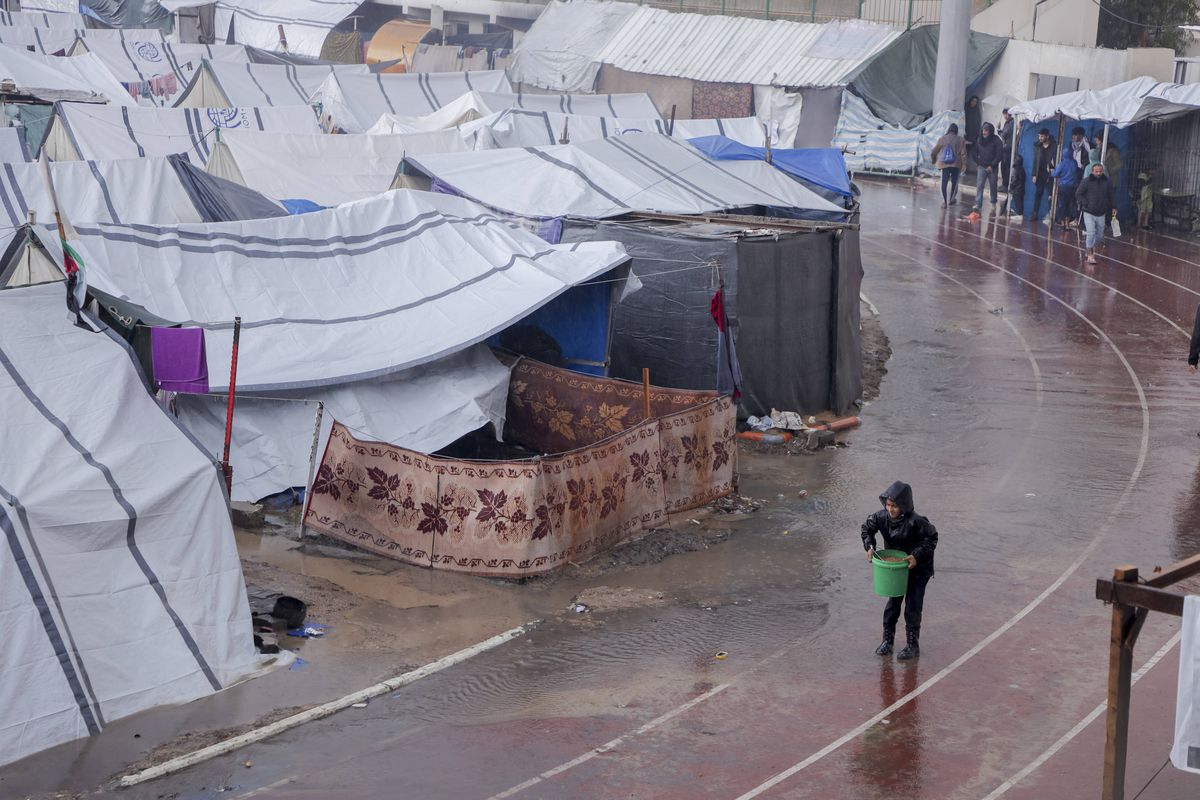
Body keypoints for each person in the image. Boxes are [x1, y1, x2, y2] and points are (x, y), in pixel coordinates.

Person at [861, 481, 938, 661]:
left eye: (895, 506)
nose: (891, 509)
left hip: (917, 568)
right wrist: (869, 546)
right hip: (896, 567)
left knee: (912, 606)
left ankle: (912, 645)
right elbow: (867, 528)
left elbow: (931, 538)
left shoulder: (917, 522)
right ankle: (887, 641)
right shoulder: (880, 517)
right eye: (888, 505)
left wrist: (916, 555)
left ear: (904, 506)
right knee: (893, 603)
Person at [1076, 162, 1115, 264]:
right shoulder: (1086, 181)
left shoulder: (1107, 182)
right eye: (1096, 171)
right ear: (1092, 171)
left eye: (1100, 171)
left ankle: (1089, 247)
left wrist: (1114, 207)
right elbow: (1078, 194)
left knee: (1100, 235)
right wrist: (1085, 203)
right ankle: (1090, 253)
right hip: (1089, 211)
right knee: (1091, 232)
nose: (1098, 173)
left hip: (1101, 212)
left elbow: (1111, 195)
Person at [931, 123, 968, 208]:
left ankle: (944, 202)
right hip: (956, 164)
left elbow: (934, 152)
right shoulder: (961, 140)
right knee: (955, 183)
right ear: (956, 131)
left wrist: (934, 160)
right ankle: (951, 199)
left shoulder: (942, 139)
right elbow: (964, 154)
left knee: (943, 183)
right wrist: (964, 164)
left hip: (944, 164)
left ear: (949, 130)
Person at [972, 122, 1004, 213]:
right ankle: (978, 204)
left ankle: (993, 203)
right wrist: (978, 163)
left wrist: (992, 165)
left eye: (986, 131)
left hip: (992, 168)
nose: (984, 132)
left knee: (993, 186)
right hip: (982, 166)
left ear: (990, 131)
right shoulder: (979, 140)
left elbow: (999, 154)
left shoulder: (996, 140)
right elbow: (974, 153)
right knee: (980, 185)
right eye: (983, 130)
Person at [1031, 128, 1057, 221]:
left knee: (1051, 195)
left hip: (1050, 174)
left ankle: (1051, 216)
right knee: (1038, 194)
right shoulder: (1038, 146)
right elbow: (1035, 161)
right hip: (1040, 174)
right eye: (1039, 136)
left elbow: (1055, 159)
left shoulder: (1054, 146)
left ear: (1047, 136)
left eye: (1042, 136)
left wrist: (1051, 169)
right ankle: (1035, 213)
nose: (1040, 138)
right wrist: (1034, 174)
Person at [1051, 146, 1081, 227]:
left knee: (1063, 204)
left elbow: (1055, 174)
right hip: (1072, 187)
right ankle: (1068, 220)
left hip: (1063, 186)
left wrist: (1051, 170)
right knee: (1070, 204)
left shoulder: (1062, 164)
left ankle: (1063, 221)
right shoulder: (1074, 163)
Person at [998, 109, 1015, 190]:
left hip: (1008, 148)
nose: (1004, 116)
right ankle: (1004, 184)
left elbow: (1005, 134)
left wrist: (999, 131)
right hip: (1005, 148)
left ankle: (1005, 185)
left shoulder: (1012, 123)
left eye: (1005, 114)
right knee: (1003, 166)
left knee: (1006, 167)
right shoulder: (1007, 123)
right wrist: (999, 129)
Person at [1006, 153, 1026, 219]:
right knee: (1020, 202)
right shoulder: (1022, 170)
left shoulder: (1015, 169)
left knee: (1018, 202)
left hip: (1016, 190)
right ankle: (1020, 213)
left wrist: (1011, 188)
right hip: (1021, 189)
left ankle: (1019, 215)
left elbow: (1014, 180)